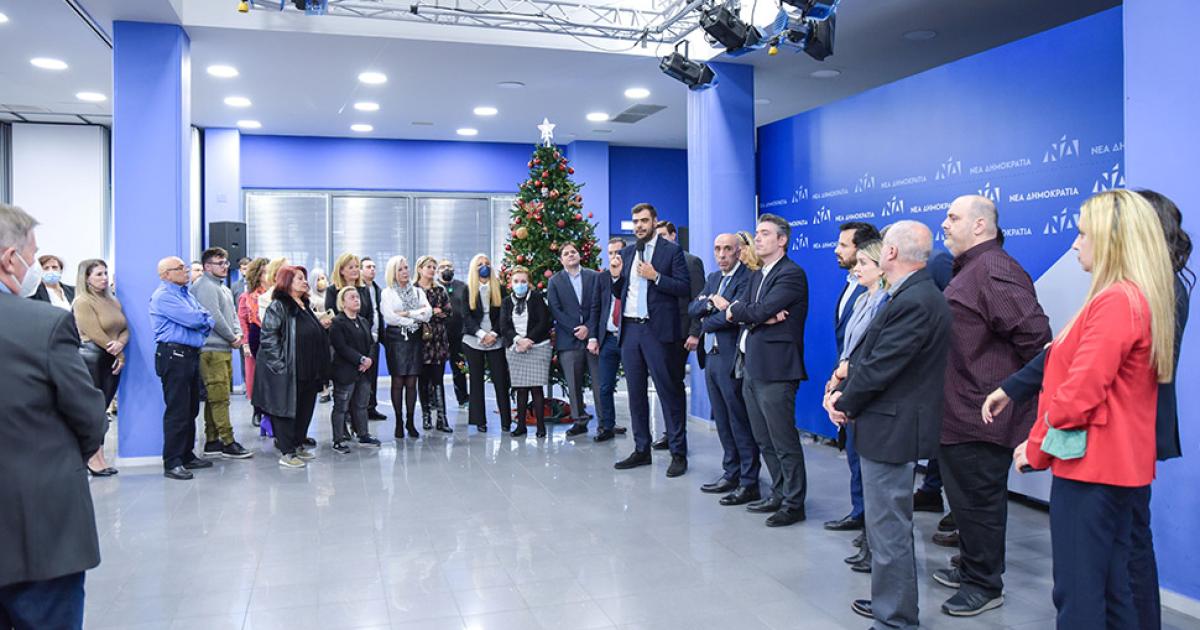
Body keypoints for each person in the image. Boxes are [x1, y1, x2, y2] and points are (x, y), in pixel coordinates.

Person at [991, 189, 1190, 630]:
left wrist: (1036, 447)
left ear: (1112, 239)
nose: (1076, 243)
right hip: (1118, 466)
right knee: (1115, 590)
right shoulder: (1143, 296)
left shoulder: (1117, 300)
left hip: (1091, 468)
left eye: (1083, 234)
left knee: (1079, 593)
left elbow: (1079, 394)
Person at [928, 195, 1053, 617]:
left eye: (953, 217)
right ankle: (971, 567)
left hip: (980, 415)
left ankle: (984, 584)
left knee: (979, 503)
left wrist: (1008, 394)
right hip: (959, 412)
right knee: (965, 503)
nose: (944, 224)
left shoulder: (994, 269)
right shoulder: (972, 268)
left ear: (980, 225)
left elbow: (1037, 340)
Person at [828, 220, 951, 628]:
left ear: (892, 253)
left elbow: (881, 366)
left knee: (889, 530)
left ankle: (895, 618)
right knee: (886, 530)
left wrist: (844, 403)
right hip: (886, 424)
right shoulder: (909, 294)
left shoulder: (914, 299)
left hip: (891, 429)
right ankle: (890, 605)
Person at [0, 203, 105, 630]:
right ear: (10, 258)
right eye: (34, 254)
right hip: (37, 528)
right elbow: (88, 416)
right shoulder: (43, 325)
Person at [721, 214, 810, 526]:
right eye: (756, 233)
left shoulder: (791, 274)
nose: (757, 238)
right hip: (751, 366)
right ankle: (778, 492)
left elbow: (752, 310)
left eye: (764, 233)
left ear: (782, 240)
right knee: (763, 439)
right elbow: (742, 310)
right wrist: (757, 315)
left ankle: (794, 503)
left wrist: (752, 314)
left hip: (776, 369)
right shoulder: (758, 275)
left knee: (783, 440)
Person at [611, 203, 691, 477]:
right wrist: (615, 276)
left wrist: (656, 277)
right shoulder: (627, 252)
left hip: (657, 331)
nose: (639, 226)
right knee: (635, 394)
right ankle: (641, 449)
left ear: (655, 222)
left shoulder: (671, 251)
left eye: (644, 221)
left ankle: (678, 453)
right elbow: (620, 292)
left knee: (668, 392)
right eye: (635, 221)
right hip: (630, 331)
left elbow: (683, 287)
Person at [824, 238, 889, 572]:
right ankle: (866, 533)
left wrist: (845, 375)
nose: (857, 268)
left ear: (882, 267)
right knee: (856, 461)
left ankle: (874, 543)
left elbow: (871, 354)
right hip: (848, 383)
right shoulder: (863, 299)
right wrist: (836, 379)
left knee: (873, 474)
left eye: (864, 263)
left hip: (869, 393)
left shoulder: (886, 303)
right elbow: (849, 349)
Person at [689, 233, 758, 505]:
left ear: (738, 251)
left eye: (727, 249)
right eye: (717, 249)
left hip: (731, 359)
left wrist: (708, 320)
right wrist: (710, 303)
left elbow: (731, 318)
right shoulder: (713, 278)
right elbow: (693, 308)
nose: (721, 254)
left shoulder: (747, 278)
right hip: (711, 357)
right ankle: (731, 473)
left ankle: (749, 481)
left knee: (738, 419)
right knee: (721, 419)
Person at [254, 265, 330, 468]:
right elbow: (269, 338)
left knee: (305, 408)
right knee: (286, 410)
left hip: (308, 368)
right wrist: (281, 366)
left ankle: (297, 444)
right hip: (289, 369)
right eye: (299, 278)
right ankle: (287, 452)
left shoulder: (304, 304)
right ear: (287, 282)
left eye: (304, 278)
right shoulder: (279, 306)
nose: (305, 282)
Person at [149, 256, 216, 480]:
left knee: (191, 409)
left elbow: (208, 317)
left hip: (190, 355)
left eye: (185, 267)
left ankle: (187, 455)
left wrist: (203, 319)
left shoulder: (185, 294)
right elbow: (196, 319)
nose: (185, 271)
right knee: (177, 411)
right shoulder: (164, 296)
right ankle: (173, 462)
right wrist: (202, 319)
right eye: (179, 268)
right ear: (165, 274)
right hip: (174, 357)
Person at [191, 247, 253, 460]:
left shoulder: (222, 287)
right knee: (219, 399)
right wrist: (232, 337)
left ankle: (212, 440)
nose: (225, 266)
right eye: (220, 263)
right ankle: (227, 441)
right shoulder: (204, 286)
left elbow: (233, 315)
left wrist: (237, 334)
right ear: (207, 266)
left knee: (216, 397)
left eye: (226, 262)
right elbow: (214, 317)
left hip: (223, 348)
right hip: (211, 350)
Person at [651, 220, 705, 451]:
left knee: (674, 385)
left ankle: (677, 437)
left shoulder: (691, 262)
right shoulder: (654, 264)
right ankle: (670, 432)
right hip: (658, 334)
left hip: (681, 334)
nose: (660, 241)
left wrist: (694, 332)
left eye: (664, 235)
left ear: (674, 236)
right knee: (663, 386)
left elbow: (698, 300)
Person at [73, 258, 128, 477]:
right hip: (93, 358)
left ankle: (100, 457)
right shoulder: (82, 302)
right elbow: (94, 332)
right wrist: (119, 353)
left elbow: (124, 327)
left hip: (110, 357)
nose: (104, 278)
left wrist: (121, 343)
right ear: (86, 278)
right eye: (98, 274)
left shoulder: (112, 299)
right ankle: (90, 459)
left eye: (105, 273)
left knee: (102, 410)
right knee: (93, 411)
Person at [547, 242, 603, 437]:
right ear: (561, 259)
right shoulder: (554, 281)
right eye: (566, 253)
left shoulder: (594, 277)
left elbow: (599, 305)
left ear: (579, 255)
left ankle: (605, 422)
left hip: (593, 338)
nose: (571, 255)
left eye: (573, 251)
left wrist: (588, 328)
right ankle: (579, 421)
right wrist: (575, 329)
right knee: (573, 383)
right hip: (568, 339)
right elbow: (555, 309)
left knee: (599, 383)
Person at [381, 255, 431, 439]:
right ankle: (398, 421)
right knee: (398, 381)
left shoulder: (417, 291)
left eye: (406, 268)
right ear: (393, 272)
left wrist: (407, 313)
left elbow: (427, 313)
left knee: (411, 382)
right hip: (396, 340)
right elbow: (390, 317)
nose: (404, 272)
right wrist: (413, 319)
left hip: (415, 340)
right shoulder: (387, 293)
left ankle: (410, 421)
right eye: (400, 269)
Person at [500, 267, 553, 438]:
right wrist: (518, 340)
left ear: (529, 283)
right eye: (516, 281)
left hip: (537, 346)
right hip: (516, 348)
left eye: (523, 281)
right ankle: (521, 425)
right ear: (510, 283)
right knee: (521, 389)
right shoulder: (506, 302)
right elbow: (504, 326)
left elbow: (544, 322)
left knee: (536, 388)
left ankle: (540, 427)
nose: (520, 284)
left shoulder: (537, 298)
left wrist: (529, 339)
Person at [461, 254, 511, 433]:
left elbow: (504, 314)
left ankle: (506, 420)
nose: (484, 267)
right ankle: (479, 421)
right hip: (473, 340)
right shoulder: (468, 289)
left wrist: (494, 334)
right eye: (480, 264)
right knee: (476, 381)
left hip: (496, 339)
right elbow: (466, 316)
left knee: (501, 380)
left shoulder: (500, 288)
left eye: (487, 263)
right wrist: (481, 334)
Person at [329, 286, 382, 453]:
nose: (356, 300)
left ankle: (363, 434)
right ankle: (338, 439)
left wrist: (369, 359)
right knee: (341, 407)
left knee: (361, 405)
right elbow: (341, 347)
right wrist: (360, 359)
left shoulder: (363, 321)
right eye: (352, 297)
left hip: (363, 372)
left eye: (357, 297)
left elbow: (371, 344)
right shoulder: (337, 323)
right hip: (345, 372)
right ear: (343, 302)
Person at [593, 238, 629, 442]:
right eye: (611, 253)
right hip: (607, 339)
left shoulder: (632, 275)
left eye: (618, 252)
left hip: (628, 338)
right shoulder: (602, 278)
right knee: (605, 386)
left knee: (635, 385)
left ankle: (642, 430)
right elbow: (595, 307)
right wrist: (593, 337)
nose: (614, 256)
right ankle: (607, 426)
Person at [416, 255, 453, 433]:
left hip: (438, 340)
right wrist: (431, 312)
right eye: (428, 267)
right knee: (423, 379)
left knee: (438, 379)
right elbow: (413, 314)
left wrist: (433, 312)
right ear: (420, 269)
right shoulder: (413, 290)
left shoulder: (440, 290)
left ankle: (441, 417)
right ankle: (426, 416)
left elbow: (448, 312)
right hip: (420, 340)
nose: (431, 270)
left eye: (433, 267)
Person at [238, 257, 270, 427]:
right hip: (255, 339)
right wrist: (245, 343)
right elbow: (242, 321)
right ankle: (257, 410)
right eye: (264, 272)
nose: (267, 276)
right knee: (256, 377)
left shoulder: (276, 294)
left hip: (274, 339)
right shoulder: (247, 297)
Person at [438, 258, 470, 408]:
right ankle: (435, 401)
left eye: (449, 266)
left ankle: (463, 398)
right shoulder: (434, 287)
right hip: (439, 336)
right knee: (436, 371)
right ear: (437, 271)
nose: (446, 269)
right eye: (443, 267)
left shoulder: (462, 287)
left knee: (460, 368)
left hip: (459, 336)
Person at [361, 256, 387, 421]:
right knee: (362, 376)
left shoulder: (378, 290)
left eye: (374, 267)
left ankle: (371, 407)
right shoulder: (358, 290)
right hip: (362, 338)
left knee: (373, 376)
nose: (372, 269)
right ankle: (359, 410)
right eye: (368, 267)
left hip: (375, 338)